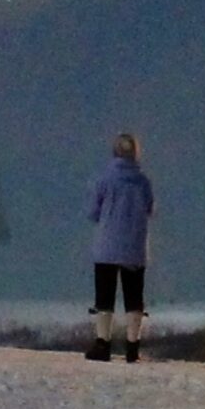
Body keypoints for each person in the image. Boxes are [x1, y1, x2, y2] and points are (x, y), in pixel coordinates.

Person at [86, 130, 154, 362]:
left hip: (106, 246)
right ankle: (132, 347)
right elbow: (150, 209)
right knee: (134, 297)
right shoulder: (143, 181)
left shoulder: (104, 179)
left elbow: (93, 212)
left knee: (104, 297)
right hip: (135, 248)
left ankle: (102, 344)